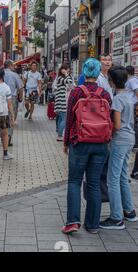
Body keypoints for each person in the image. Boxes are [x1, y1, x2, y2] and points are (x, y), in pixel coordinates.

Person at [62, 58, 112, 235]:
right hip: (100, 144)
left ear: (84, 72)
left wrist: (67, 142)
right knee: (94, 184)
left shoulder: (77, 92)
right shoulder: (105, 94)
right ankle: (92, 224)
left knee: (74, 182)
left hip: (80, 142)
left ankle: (73, 222)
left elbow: (69, 119)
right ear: (98, 72)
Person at [99, 66, 138, 230]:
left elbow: (116, 123)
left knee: (112, 179)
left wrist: (109, 135)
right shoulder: (130, 97)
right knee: (122, 175)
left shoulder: (117, 100)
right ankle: (129, 211)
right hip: (130, 138)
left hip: (119, 139)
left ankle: (116, 218)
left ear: (111, 82)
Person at [4, 60, 24, 146]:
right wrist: (20, 98)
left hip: (1, 98)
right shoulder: (15, 75)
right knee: (11, 118)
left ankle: (3, 137)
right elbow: (21, 87)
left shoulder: (0, 73)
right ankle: (8, 137)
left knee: (2, 117)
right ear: (10, 66)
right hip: (12, 98)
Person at [54, 64, 74, 141]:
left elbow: (71, 85)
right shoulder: (60, 78)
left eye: (67, 69)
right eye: (65, 69)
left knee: (60, 119)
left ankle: (59, 134)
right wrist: (66, 74)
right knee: (64, 119)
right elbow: (69, 82)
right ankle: (59, 135)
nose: (67, 70)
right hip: (62, 102)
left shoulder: (61, 78)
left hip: (61, 102)